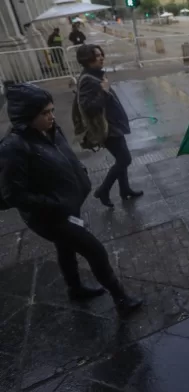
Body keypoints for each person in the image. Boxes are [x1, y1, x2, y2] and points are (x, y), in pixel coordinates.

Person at [0, 83, 142, 315]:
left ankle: (74, 288)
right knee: (94, 250)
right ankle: (121, 299)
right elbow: (13, 194)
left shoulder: (51, 129)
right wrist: (55, 205)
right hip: (49, 216)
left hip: (66, 204)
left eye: (52, 110)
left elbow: (65, 156)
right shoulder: (13, 147)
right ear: (26, 116)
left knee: (65, 247)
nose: (51, 117)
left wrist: (81, 174)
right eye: (44, 113)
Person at [76, 44, 143, 208]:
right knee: (124, 159)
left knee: (121, 159)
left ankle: (125, 190)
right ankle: (103, 190)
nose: (101, 58)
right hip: (107, 128)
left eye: (101, 54)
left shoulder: (95, 75)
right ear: (87, 59)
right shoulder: (88, 80)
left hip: (113, 125)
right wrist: (104, 91)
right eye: (96, 56)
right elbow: (89, 108)